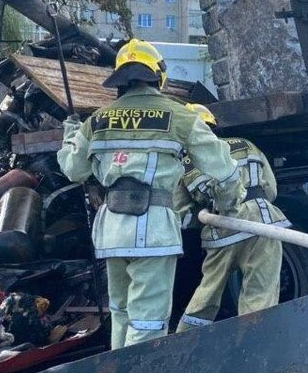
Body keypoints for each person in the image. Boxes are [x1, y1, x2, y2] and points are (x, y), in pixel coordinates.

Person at [57, 39, 241, 349]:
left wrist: (70, 135)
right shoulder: (178, 115)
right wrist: (230, 204)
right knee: (148, 320)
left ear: (120, 78)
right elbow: (223, 167)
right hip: (153, 231)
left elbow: (74, 171)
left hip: (111, 232)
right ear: (158, 76)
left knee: (121, 312)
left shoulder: (97, 120)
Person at [175, 103, 290, 330]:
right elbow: (272, 191)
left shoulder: (184, 162)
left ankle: (184, 339)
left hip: (220, 231)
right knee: (261, 293)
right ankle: (255, 342)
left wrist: (204, 219)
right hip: (263, 224)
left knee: (207, 294)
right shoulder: (247, 145)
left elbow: (182, 214)